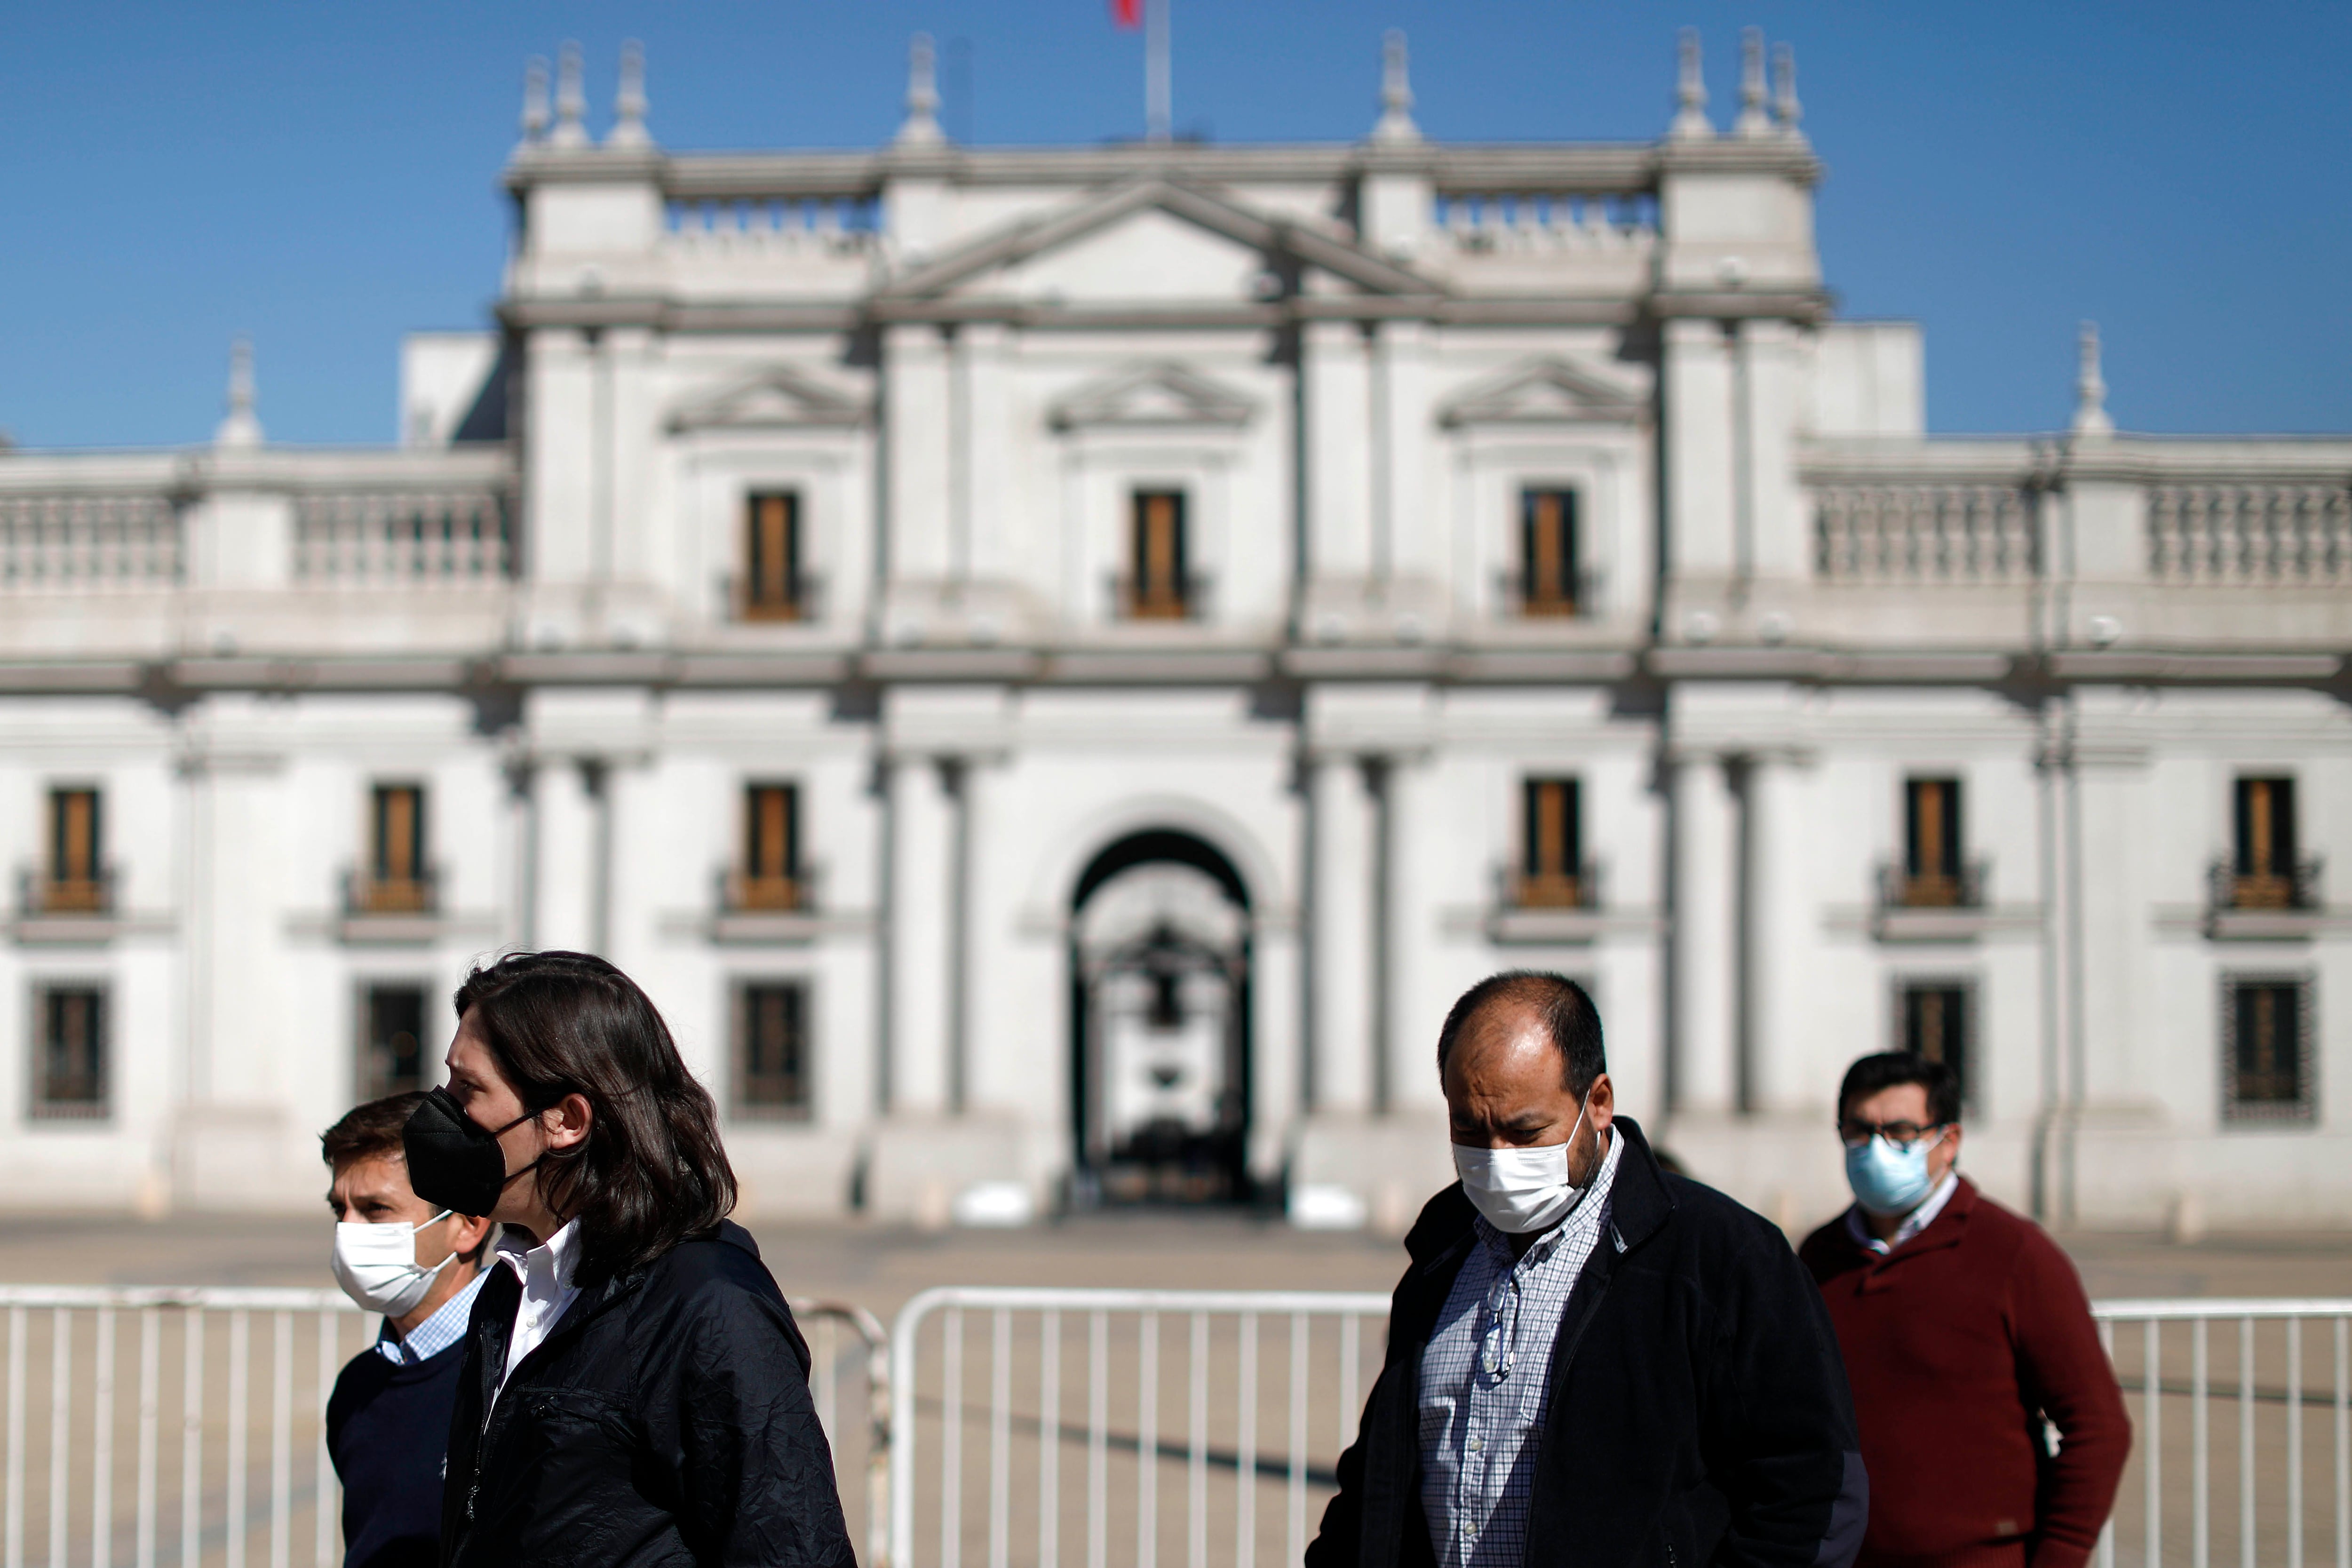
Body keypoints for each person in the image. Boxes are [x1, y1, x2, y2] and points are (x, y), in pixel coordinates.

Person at [1308, 971, 1867, 1568]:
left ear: (1597, 1103)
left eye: (1525, 1132)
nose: (1496, 1159)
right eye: (1468, 1130)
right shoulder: (1440, 1254)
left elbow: (1812, 1491)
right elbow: (1380, 1480)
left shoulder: (1721, 1257)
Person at [401, 950, 852, 1568]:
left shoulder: (709, 1307)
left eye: (468, 1088)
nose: (441, 1109)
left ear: (566, 1120)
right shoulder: (512, 1285)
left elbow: (789, 1547)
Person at [1799, 1053, 2130, 1568]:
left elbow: (2098, 1426)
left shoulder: (2014, 1254)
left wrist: (2060, 1553)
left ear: (1948, 1141)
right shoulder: (1817, 1259)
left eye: (1902, 1132)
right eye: (1859, 1131)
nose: (1876, 1149)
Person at [321, 1092, 498, 1568]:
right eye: (340, 1209)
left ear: (467, 1224)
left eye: (376, 1210)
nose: (348, 1230)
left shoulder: (517, 1374)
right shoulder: (358, 1388)